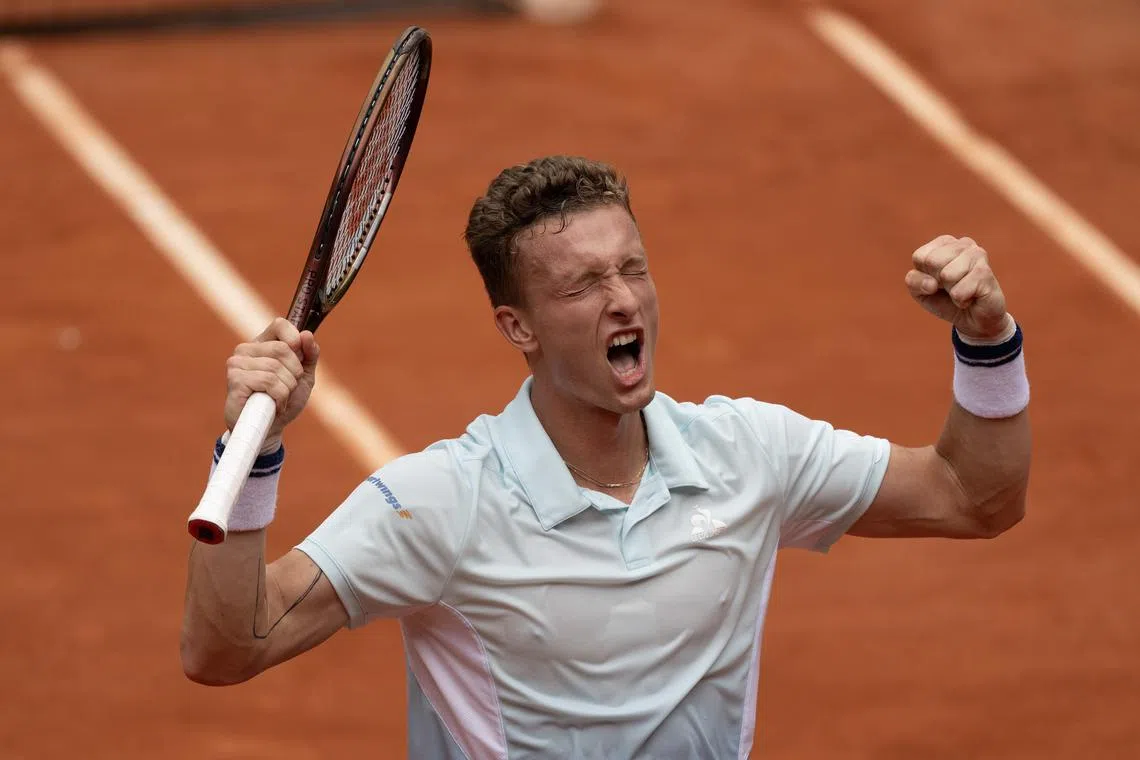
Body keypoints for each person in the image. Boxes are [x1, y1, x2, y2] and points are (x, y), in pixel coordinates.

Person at [181, 155, 1031, 759]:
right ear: (519, 327)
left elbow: (971, 496)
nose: (623, 299)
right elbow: (229, 648)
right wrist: (252, 456)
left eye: (633, 268)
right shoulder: (438, 504)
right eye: (583, 285)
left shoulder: (748, 454)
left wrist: (986, 340)